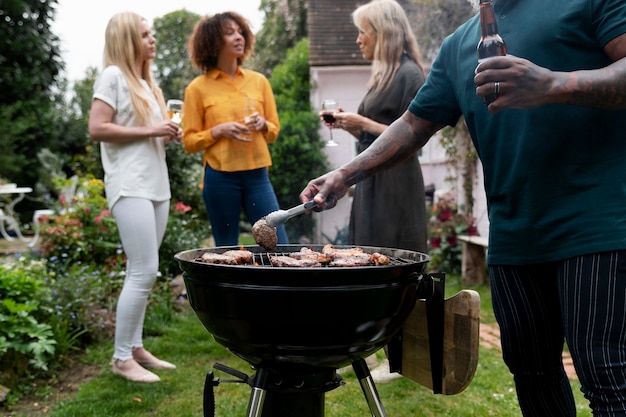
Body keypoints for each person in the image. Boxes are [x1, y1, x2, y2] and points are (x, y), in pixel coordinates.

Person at [301, 0, 626, 415]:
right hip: (513, 234)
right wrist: (344, 174)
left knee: (607, 376)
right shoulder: (460, 44)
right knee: (533, 375)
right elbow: (414, 124)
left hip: (598, 224)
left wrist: (551, 84)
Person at [88, 12, 181, 383]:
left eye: (151, 34)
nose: (152, 40)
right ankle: (121, 358)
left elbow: (143, 134)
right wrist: (152, 129)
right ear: (127, 40)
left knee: (146, 270)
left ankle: (136, 346)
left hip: (155, 184)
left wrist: (163, 135)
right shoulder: (112, 76)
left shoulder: (145, 83)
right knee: (142, 270)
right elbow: (98, 128)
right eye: (144, 35)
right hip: (130, 185)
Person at [327, 0, 427, 253]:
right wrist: (350, 125)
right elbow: (373, 137)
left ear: (382, 33)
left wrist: (363, 122)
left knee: (390, 252)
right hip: (372, 177)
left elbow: (415, 139)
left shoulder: (409, 74)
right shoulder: (385, 75)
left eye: (363, 32)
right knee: (367, 250)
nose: (358, 40)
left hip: (396, 183)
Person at [182, 11, 288, 247]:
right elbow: (189, 142)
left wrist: (263, 124)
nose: (239, 37)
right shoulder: (196, 89)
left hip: (258, 176)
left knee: (278, 244)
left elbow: (273, 132)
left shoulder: (259, 81)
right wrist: (218, 130)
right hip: (219, 178)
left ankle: (282, 284)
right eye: (230, 33)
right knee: (226, 249)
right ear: (212, 42)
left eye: (241, 32)